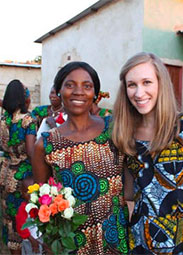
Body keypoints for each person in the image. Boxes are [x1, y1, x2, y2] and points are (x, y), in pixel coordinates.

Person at [112, 52, 183, 255]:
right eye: (132, 85)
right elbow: (131, 195)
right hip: (141, 242)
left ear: (161, 83)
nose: (139, 93)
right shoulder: (125, 133)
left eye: (147, 82)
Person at [32, 62, 129, 254]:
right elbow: (43, 199)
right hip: (70, 243)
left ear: (95, 94)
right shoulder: (46, 144)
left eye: (87, 86)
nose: (78, 91)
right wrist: (50, 242)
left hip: (114, 238)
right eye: (70, 85)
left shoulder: (115, 129)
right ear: (59, 91)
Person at [0, 79, 37, 254]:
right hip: (22, 175)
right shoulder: (28, 119)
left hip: (4, 171)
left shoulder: (2, 118)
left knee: (8, 216)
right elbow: (31, 151)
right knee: (22, 218)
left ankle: (10, 249)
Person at [16, 176, 43, 255]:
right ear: (21, 192)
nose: (30, 195)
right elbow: (21, 227)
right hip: (30, 241)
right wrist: (32, 240)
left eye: (33, 192)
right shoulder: (23, 209)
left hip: (39, 237)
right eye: (26, 192)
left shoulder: (38, 205)